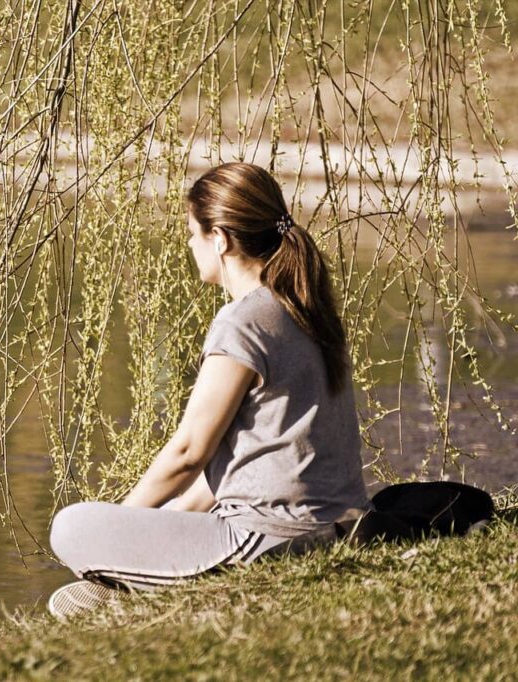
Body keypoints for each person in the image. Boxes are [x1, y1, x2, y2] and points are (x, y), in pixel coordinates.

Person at [47, 162, 373, 619]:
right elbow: (231, 464)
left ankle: (156, 601)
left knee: (71, 527)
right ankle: (142, 601)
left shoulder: (243, 322)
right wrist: (164, 524)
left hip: (269, 540)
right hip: (332, 530)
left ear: (219, 238)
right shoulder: (304, 310)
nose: (188, 244)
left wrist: (127, 523)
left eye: (191, 233)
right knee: (86, 587)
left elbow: (188, 453)